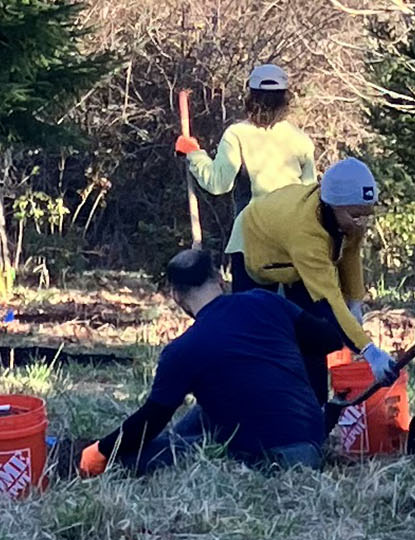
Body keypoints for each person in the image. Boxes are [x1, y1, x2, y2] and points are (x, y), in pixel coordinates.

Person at [83, 249, 343, 475]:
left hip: (267, 460)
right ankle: (177, 439)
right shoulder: (267, 301)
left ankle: (92, 457)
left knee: (132, 458)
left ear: (176, 296)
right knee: (206, 409)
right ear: (220, 279)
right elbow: (329, 339)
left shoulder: (183, 350)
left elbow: (150, 420)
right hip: (312, 439)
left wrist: (103, 450)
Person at [234, 157, 391, 380]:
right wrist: (369, 350)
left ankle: (316, 404)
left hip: (290, 250)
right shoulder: (306, 234)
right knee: (253, 333)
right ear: (332, 205)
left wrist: (355, 302)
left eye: (367, 215)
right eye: (356, 216)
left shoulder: (349, 217)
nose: (362, 223)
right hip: (253, 240)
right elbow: (329, 299)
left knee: (315, 332)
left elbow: (350, 254)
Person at [178, 63, 324, 282]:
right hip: (291, 245)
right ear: (286, 100)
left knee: (250, 312)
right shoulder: (300, 140)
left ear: (250, 97)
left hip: (249, 243)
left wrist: (194, 154)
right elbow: (310, 199)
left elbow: (218, 183)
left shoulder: (238, 134)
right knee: (288, 314)